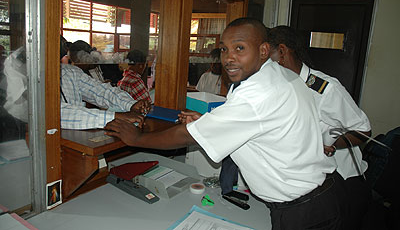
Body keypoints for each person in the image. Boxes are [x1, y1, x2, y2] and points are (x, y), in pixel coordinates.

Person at [105, 17, 349, 229]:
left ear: (264, 50)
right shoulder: (277, 74)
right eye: (224, 49)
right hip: (317, 196)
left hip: (304, 210)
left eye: (240, 48)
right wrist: (211, 122)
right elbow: (258, 124)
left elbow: (189, 136)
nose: (229, 58)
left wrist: (137, 139)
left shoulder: (257, 93)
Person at [267, 25, 372, 229]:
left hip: (344, 183)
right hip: (314, 185)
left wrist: (329, 145)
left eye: (266, 54)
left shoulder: (323, 88)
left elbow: (364, 131)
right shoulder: (282, 87)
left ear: (281, 52)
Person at [60, 38, 148, 130]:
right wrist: (115, 117)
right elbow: (60, 114)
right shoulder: (44, 80)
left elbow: (101, 91)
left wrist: (130, 104)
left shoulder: (71, 72)